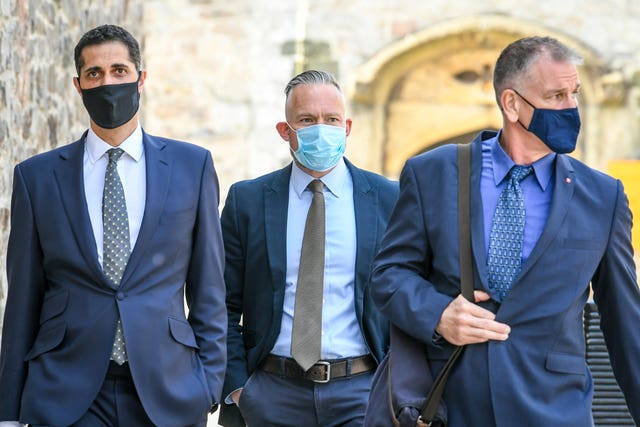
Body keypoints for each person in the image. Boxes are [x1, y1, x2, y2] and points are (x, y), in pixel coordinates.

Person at [370, 36, 640, 426]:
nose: (571, 108)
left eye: (574, 94)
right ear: (512, 104)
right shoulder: (433, 172)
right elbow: (387, 276)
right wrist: (437, 314)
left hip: (554, 409)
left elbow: (624, 320)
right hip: (450, 405)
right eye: (556, 96)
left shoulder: (603, 196)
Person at [0, 24, 226, 427]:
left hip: (167, 392)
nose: (108, 83)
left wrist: (207, 386)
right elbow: (22, 301)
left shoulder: (193, 167)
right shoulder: (37, 178)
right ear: (78, 85)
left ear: (141, 79)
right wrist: (8, 412)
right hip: (66, 393)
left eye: (119, 71)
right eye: (94, 74)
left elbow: (209, 288)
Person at [218, 70, 398, 427]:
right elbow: (221, 303)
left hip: (362, 393)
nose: (321, 128)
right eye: (307, 120)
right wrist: (241, 388)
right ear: (286, 131)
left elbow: (407, 295)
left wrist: (397, 387)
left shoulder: (388, 199)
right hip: (271, 393)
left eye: (331, 119)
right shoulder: (248, 201)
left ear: (346, 128)